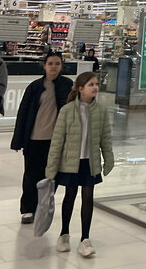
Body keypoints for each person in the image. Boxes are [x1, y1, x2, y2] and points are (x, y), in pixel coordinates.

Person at [45, 71, 113, 257]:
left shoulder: (101, 111)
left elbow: (105, 138)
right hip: (70, 162)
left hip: (90, 162)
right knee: (70, 195)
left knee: (88, 198)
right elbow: (57, 141)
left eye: (96, 84)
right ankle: (64, 234)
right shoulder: (67, 111)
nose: (95, 87)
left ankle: (85, 238)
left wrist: (108, 158)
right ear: (80, 88)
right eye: (91, 84)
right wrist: (51, 167)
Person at [10, 52, 73, 225]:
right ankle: (27, 208)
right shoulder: (34, 87)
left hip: (56, 140)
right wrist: (17, 140)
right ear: (44, 65)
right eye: (50, 63)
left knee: (52, 175)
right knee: (31, 174)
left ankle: (43, 206)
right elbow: (23, 113)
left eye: (57, 63)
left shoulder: (67, 85)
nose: (54, 67)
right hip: (34, 138)